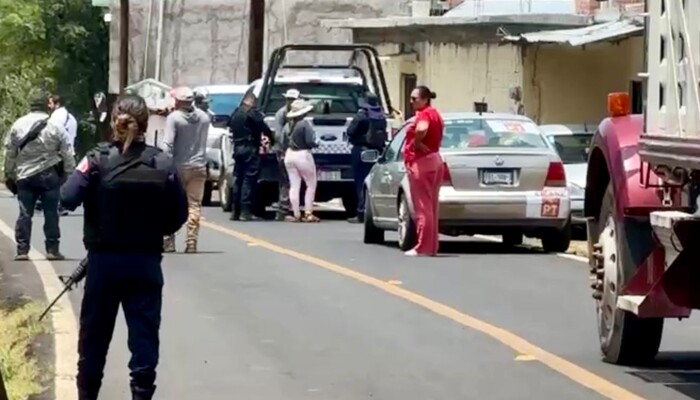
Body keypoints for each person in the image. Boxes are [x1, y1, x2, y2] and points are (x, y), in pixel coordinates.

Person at [60, 94, 188, 400]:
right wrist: (152, 230)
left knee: (94, 341)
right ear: (145, 123)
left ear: (114, 121)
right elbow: (179, 215)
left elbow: (67, 198)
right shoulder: (163, 163)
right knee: (144, 339)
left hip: (103, 265)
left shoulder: (95, 160)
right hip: (145, 263)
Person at [3, 91, 75, 261]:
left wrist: (9, 173)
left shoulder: (18, 124)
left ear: (31, 105)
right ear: (46, 106)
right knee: (51, 213)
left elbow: (10, 153)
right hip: (50, 175)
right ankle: (52, 249)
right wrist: (68, 173)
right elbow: (67, 152)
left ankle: (22, 250)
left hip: (25, 176)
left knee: (24, 213)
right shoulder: (55, 125)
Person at [160, 86, 210, 253]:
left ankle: (169, 241)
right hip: (199, 165)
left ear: (179, 101)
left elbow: (167, 144)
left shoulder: (174, 118)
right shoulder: (204, 117)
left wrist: (163, 164)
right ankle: (191, 242)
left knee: (170, 202)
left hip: (178, 166)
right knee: (194, 205)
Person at [402, 85, 444, 257]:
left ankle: (423, 246)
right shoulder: (436, 114)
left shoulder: (424, 114)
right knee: (432, 206)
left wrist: (417, 143)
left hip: (421, 162)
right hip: (435, 159)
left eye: (415, 98)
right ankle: (432, 245)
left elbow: (422, 128)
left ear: (425, 99)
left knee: (423, 207)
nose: (411, 102)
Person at [227, 92, 274, 221]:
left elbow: (229, 126)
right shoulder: (251, 114)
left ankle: (235, 211)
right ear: (252, 101)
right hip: (250, 149)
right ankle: (245, 211)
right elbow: (265, 129)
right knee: (249, 179)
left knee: (239, 179)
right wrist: (271, 140)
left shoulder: (236, 113)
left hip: (237, 148)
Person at [346, 92, 387, 223]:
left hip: (361, 151)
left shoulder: (362, 115)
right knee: (372, 182)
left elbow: (350, 131)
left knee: (361, 182)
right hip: (376, 151)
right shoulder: (381, 115)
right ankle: (371, 211)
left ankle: (361, 212)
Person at [283, 99, 320, 222]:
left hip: (289, 154)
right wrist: (316, 144)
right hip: (302, 154)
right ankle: (308, 212)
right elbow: (309, 141)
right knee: (311, 184)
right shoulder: (304, 124)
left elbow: (283, 140)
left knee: (294, 185)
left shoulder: (289, 125)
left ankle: (296, 213)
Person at [271, 88, 300, 221]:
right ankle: (283, 209)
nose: (291, 102)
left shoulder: (296, 114)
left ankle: (291, 207)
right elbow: (278, 135)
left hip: (294, 150)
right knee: (285, 180)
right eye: (289, 99)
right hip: (283, 150)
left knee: (291, 180)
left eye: (293, 99)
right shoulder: (281, 114)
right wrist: (284, 150)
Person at [48, 94, 78, 216]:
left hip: (60, 153)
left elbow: (52, 134)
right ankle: (61, 205)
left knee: (55, 180)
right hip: (69, 152)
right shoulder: (70, 117)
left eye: (50, 103)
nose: (48, 106)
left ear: (57, 104)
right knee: (63, 180)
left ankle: (56, 205)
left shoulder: (57, 117)